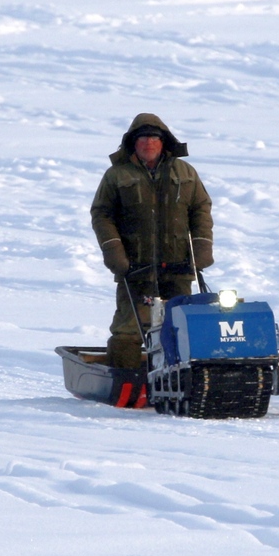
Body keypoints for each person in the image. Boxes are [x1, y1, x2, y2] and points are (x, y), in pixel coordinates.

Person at [90, 114, 214, 369]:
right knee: (128, 328)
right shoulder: (117, 175)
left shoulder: (185, 172)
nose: (149, 142)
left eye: (154, 137)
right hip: (134, 267)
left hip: (178, 265)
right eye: (143, 137)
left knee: (181, 324)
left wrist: (202, 246)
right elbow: (102, 214)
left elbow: (201, 207)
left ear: (164, 141)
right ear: (133, 143)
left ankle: (181, 378)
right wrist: (114, 252)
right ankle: (125, 381)